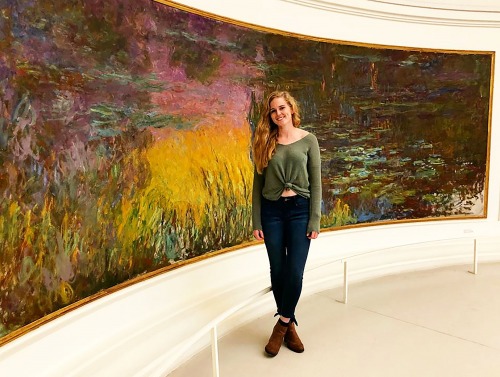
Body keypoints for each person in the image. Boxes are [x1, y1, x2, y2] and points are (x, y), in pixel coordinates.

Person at [251, 90, 322, 357]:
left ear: (291, 108)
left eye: (282, 108)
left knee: (294, 271)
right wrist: (256, 219)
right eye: (273, 110)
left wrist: (314, 218)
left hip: (299, 211)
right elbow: (257, 185)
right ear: (269, 115)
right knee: (278, 270)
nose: (278, 113)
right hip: (271, 212)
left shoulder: (309, 141)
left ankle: (281, 325)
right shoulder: (264, 142)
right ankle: (290, 323)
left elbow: (316, 183)